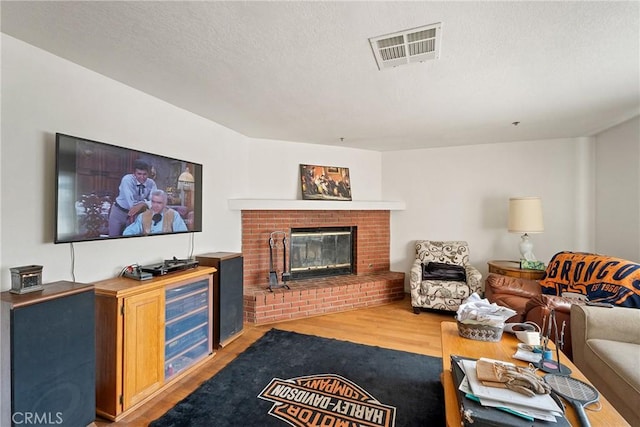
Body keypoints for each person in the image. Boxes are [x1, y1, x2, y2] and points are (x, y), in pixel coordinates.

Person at [108, 159, 157, 236]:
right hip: (119, 213)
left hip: (137, 214)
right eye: (139, 174)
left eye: (145, 174)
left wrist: (143, 204)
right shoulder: (127, 180)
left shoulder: (151, 183)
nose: (142, 177)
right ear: (134, 173)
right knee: (113, 238)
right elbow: (132, 205)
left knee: (131, 239)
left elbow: (155, 201)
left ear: (148, 174)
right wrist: (146, 203)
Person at [123, 189, 188, 236]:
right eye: (153, 202)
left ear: (165, 203)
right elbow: (127, 232)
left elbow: (183, 234)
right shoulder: (143, 216)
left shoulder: (173, 215)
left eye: (159, 203)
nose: (155, 205)